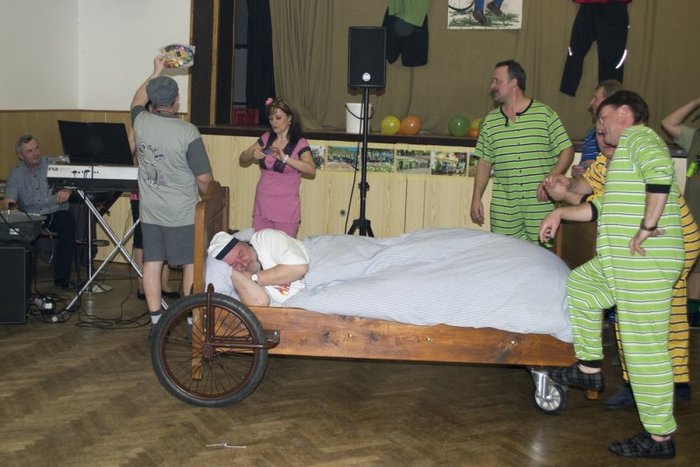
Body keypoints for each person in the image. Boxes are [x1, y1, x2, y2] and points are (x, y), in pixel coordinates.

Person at [540, 91, 683, 458]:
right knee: (582, 286)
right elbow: (601, 206)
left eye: (603, 118)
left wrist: (647, 226)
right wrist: (559, 213)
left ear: (624, 112)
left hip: (645, 261)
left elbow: (661, 173)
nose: (600, 128)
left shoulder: (640, 137)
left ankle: (660, 438)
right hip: (620, 262)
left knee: (643, 349)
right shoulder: (622, 159)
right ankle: (589, 368)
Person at [543, 129, 698, 409]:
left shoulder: (635, 157)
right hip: (640, 243)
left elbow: (634, 197)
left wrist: (647, 227)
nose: (602, 137)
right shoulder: (604, 162)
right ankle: (654, 382)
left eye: (608, 127)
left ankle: (655, 389)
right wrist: (563, 190)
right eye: (599, 129)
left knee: (649, 318)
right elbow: (586, 196)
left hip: (669, 241)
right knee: (643, 312)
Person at [131, 56, 212, 329]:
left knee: (152, 262)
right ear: (176, 101)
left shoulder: (140, 121)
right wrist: (209, 195)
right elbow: (203, 178)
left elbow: (136, 100)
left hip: (151, 211)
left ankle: (156, 321)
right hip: (182, 213)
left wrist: (156, 70)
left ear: (152, 101)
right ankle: (189, 319)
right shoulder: (188, 131)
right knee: (191, 264)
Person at [470, 60, 574, 246]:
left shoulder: (545, 114)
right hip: (504, 207)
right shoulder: (490, 121)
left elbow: (567, 149)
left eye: (497, 81)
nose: (492, 86)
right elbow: (484, 163)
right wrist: (476, 198)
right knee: (505, 255)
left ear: (513, 83)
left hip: (540, 203)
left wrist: (551, 177)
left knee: (542, 256)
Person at [4, 135, 77, 289]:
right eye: (29, 151)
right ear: (20, 155)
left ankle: (62, 278)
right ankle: (22, 279)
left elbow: (73, 179)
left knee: (68, 225)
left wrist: (67, 190)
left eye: (36, 148)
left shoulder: (53, 164)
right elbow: (9, 201)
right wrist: (14, 210)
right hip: (32, 215)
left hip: (56, 211)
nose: (35, 153)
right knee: (18, 230)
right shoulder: (16, 173)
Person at [239, 97, 316, 238]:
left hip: (286, 207)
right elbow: (242, 158)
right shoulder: (266, 137)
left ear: (290, 118)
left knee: (283, 247)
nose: (274, 122)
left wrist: (286, 159)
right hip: (262, 203)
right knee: (260, 246)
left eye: (278, 118)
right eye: (271, 119)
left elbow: (311, 170)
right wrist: (252, 153)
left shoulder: (300, 142)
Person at [662, 97, 700, 327]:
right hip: (693, 216)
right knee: (693, 267)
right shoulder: (695, 137)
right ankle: (692, 315)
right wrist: (695, 102)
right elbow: (668, 123)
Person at [207, 229, 308, 307]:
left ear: (243, 243)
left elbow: (299, 268)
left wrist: (255, 277)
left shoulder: (264, 239)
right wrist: (234, 274)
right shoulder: (244, 281)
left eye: (241, 254)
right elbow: (260, 302)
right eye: (234, 264)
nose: (243, 263)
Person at [571, 79, 623, 178]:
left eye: (595, 98)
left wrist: (596, 167)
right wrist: (577, 171)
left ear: (609, 101)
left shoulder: (622, 136)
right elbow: (584, 165)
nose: (591, 103)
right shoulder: (590, 135)